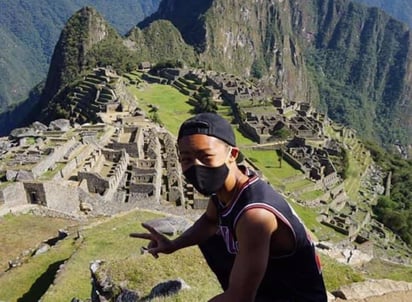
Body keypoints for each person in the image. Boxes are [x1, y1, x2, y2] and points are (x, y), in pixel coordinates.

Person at [130, 112, 328, 302]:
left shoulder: (255, 216)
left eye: (206, 157)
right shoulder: (225, 190)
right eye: (186, 159)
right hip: (273, 282)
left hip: (295, 297)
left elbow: (239, 298)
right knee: (213, 238)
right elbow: (209, 221)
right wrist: (173, 245)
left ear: (232, 154)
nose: (196, 167)